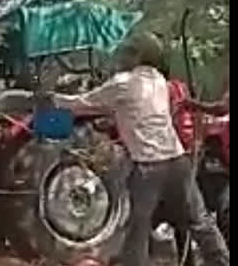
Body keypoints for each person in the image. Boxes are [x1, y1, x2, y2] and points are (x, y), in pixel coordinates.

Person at [48, 32, 229, 266]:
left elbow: (83, 104)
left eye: (128, 52)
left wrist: (52, 99)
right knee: (200, 221)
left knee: (138, 228)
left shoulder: (123, 83)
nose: (123, 56)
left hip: (149, 168)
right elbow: (137, 113)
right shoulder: (159, 82)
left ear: (137, 55)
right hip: (177, 162)